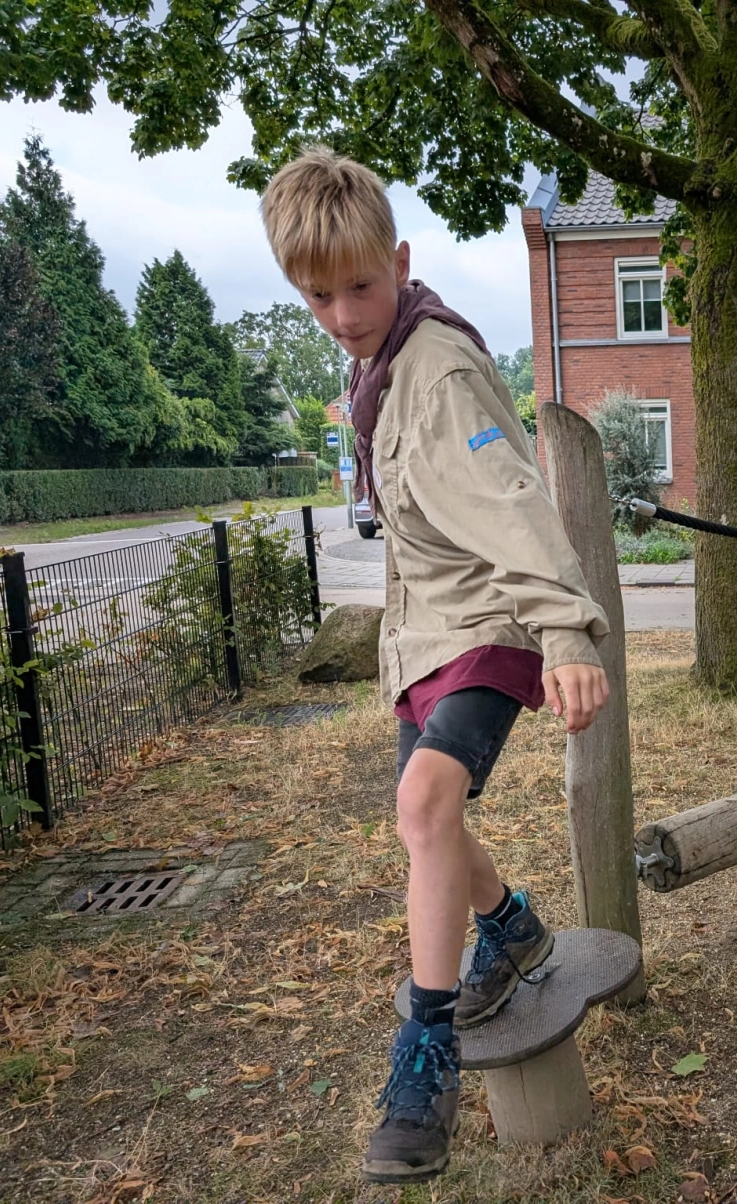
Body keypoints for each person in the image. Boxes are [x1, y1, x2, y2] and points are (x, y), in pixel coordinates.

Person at [260, 148, 611, 1184]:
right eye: (317, 296)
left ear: (401, 262)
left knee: (422, 805)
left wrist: (565, 632)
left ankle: (426, 1051)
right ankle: (510, 929)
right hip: (425, 636)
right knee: (435, 821)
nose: (341, 314)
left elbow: (511, 501)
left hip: (490, 622)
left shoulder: (438, 369)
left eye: (359, 287)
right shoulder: (376, 364)